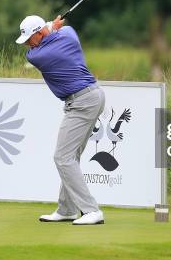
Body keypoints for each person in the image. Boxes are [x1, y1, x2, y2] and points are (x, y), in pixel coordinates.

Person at [16, 14, 105, 225]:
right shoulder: (69, 35)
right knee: (70, 156)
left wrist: (50, 26)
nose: (28, 44)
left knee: (62, 157)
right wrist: (52, 27)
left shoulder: (39, 55)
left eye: (30, 39)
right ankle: (66, 209)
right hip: (91, 96)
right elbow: (63, 30)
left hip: (82, 102)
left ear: (39, 33)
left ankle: (91, 210)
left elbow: (34, 52)